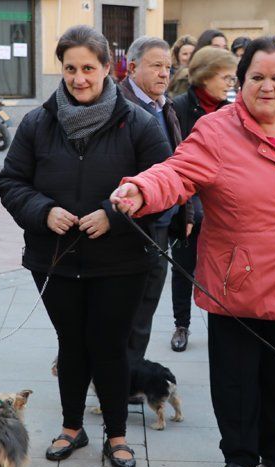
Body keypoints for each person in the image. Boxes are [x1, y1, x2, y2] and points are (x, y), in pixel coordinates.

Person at [113, 35, 275, 467]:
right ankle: (239, 455)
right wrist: (141, 190)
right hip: (235, 283)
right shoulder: (216, 130)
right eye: (256, 77)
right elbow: (177, 172)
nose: (267, 87)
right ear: (240, 82)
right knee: (235, 378)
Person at [0, 26, 172, 467]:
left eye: (88, 68)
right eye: (70, 68)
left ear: (107, 68)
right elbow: (11, 182)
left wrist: (113, 215)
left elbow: (163, 188)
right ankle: (72, 427)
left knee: (110, 346)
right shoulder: (39, 122)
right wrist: (43, 211)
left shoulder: (138, 123)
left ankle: (117, 435)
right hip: (53, 257)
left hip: (121, 261)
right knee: (71, 344)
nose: (79, 78)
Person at [117, 36, 185, 367]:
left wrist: (189, 208)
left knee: (145, 311)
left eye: (168, 67)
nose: (163, 74)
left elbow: (180, 163)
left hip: (161, 225)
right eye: (156, 65)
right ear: (131, 67)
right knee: (121, 312)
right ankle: (113, 378)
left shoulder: (165, 106)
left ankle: (129, 377)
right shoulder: (117, 105)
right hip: (128, 226)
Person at [169, 46, 238, 353]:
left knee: (223, 268)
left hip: (223, 205)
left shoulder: (232, 110)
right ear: (206, 76)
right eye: (226, 77)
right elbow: (176, 160)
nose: (231, 84)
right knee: (184, 266)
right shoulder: (179, 107)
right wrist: (190, 207)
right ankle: (181, 324)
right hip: (188, 203)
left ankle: (222, 323)